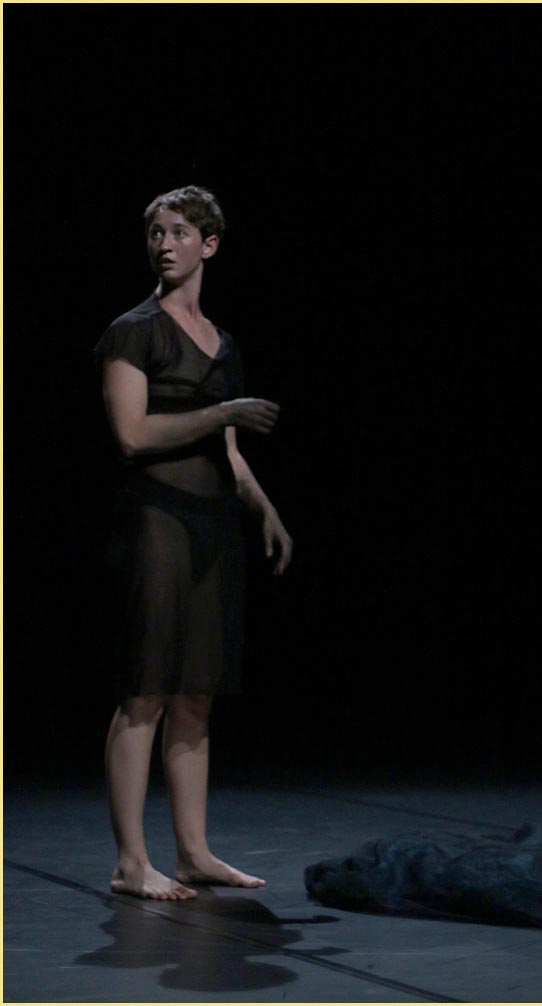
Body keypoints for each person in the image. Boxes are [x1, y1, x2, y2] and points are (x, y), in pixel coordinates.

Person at [93, 185, 292, 901]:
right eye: (155, 233)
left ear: (209, 245)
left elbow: (228, 451)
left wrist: (263, 507)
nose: (164, 244)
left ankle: (193, 853)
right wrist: (219, 413)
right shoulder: (133, 331)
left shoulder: (223, 344)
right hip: (154, 522)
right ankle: (130, 861)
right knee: (145, 688)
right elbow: (132, 433)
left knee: (197, 693)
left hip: (211, 526)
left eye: (178, 232)